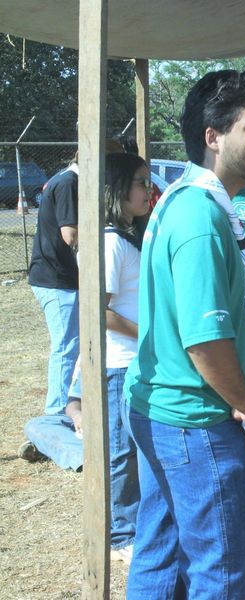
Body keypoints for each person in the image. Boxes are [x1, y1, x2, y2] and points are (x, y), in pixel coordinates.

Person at [123, 70, 245, 598]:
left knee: (162, 556)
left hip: (161, 408)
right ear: (214, 137)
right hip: (193, 419)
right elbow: (205, 342)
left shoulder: (183, 199)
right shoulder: (199, 218)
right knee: (223, 569)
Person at [23, 152, 151, 563]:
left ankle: (136, 526)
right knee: (120, 452)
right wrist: (149, 336)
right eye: (141, 182)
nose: (148, 189)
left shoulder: (126, 236)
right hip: (118, 363)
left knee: (135, 449)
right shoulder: (110, 243)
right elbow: (100, 311)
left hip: (134, 360)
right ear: (117, 189)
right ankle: (121, 535)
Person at [27, 153, 80, 416]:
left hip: (60, 278)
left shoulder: (66, 180)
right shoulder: (69, 182)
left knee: (72, 345)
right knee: (67, 346)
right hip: (56, 279)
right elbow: (70, 234)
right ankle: (56, 413)